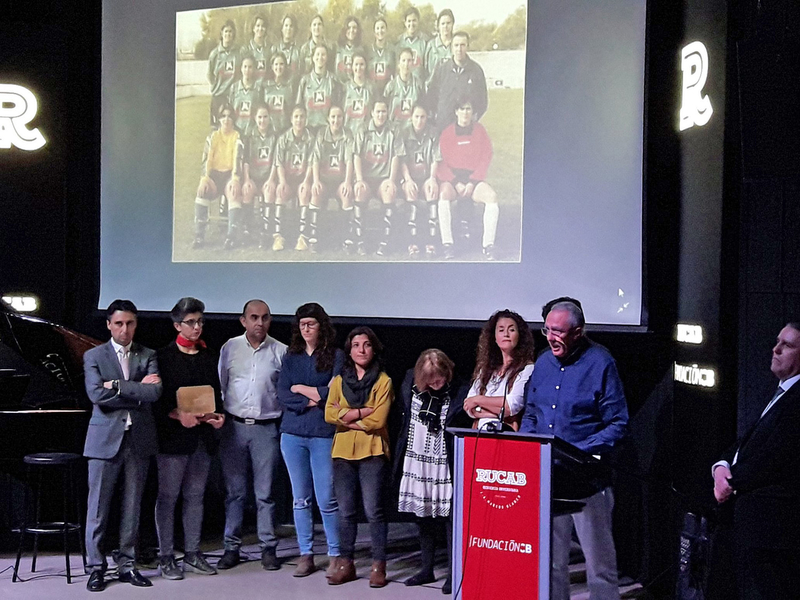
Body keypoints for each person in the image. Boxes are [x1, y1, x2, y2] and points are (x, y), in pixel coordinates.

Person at [521, 300, 629, 600]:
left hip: (587, 480)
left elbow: (618, 423)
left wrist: (578, 451)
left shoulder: (601, 362)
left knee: (599, 563)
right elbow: (531, 411)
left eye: (558, 331)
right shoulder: (543, 363)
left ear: (578, 332)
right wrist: (528, 443)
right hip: (548, 478)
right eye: (547, 330)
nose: (551, 337)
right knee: (551, 561)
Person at [712, 322, 800, 599]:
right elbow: (745, 445)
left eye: (787, 345)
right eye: (777, 342)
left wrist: (731, 481)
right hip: (749, 528)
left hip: (772, 533)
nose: (775, 349)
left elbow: (775, 458)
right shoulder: (779, 392)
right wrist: (721, 468)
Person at [83, 300, 162, 592]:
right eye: (118, 323)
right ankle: (96, 568)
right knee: (99, 509)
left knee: (133, 507)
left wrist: (115, 385)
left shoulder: (148, 354)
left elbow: (154, 392)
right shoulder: (94, 355)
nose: (124, 329)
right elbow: (95, 395)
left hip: (137, 440)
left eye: (129, 323)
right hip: (104, 442)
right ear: (108, 325)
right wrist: (135, 389)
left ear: (135, 324)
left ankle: (127, 566)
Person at [154, 297, 225, 580]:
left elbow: (215, 396)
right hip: (173, 439)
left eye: (200, 322)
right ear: (177, 325)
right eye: (191, 322)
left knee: (196, 496)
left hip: (202, 438)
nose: (197, 327)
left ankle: (193, 552)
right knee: (168, 497)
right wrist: (175, 414)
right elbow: (155, 403)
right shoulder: (163, 357)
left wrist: (218, 416)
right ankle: (166, 555)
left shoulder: (210, 356)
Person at [216, 300, 287, 571]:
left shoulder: (280, 351)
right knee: (234, 493)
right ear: (243, 320)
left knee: (265, 493)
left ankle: (268, 547)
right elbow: (221, 384)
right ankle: (231, 547)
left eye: (265, 318)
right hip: (233, 427)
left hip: (266, 428)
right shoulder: (230, 347)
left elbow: (283, 391)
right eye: (254, 317)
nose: (260, 323)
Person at [394, 349, 469, 595]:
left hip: (444, 462)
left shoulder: (460, 389)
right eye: (431, 380)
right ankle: (426, 568)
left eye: (440, 378)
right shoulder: (408, 382)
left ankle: (452, 573)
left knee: (449, 520)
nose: (437, 383)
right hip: (417, 460)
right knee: (422, 516)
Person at [277, 303, 345, 578]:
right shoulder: (290, 357)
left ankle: (335, 554)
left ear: (322, 327)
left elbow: (334, 394)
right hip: (292, 434)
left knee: (327, 498)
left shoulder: (336, 356)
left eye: (311, 324)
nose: (306, 329)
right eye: (302, 325)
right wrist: (313, 397)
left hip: (323, 434)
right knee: (300, 498)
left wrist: (302, 389)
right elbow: (283, 394)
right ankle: (306, 554)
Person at [325, 327, 393, 587]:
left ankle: (378, 565)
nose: (361, 350)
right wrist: (360, 412)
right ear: (349, 350)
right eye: (356, 345)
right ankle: (346, 563)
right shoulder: (340, 380)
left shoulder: (383, 381)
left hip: (372, 451)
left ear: (373, 349)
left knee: (373, 510)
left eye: (366, 345)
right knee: (345, 511)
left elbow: (379, 420)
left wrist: (346, 415)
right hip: (342, 451)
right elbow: (328, 414)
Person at [436, 99, 498, 260]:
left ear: (472, 112)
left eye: (468, 109)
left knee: (492, 197)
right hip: (453, 181)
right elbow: (441, 162)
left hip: (473, 180)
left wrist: (472, 181)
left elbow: (486, 156)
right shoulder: (447, 133)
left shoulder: (480, 131)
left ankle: (488, 245)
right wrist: (456, 183)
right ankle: (447, 244)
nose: (465, 112)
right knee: (443, 195)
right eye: (462, 109)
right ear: (456, 111)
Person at [464, 309, 534, 430]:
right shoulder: (486, 369)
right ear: (494, 337)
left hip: (506, 435)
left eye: (511, 330)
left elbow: (512, 406)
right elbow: (468, 405)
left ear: (520, 336)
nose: (506, 334)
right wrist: (499, 413)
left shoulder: (527, 369)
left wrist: (479, 400)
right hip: (479, 436)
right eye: (501, 330)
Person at [352, 98, 403, 256]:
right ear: (372, 113)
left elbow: (396, 156)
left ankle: (385, 241)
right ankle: (360, 240)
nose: (380, 115)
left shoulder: (394, 130)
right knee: (359, 191)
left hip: (383, 178)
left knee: (389, 191)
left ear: (387, 113)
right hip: (367, 178)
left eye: (383, 112)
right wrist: (359, 179)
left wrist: (391, 180)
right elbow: (356, 156)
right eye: (378, 111)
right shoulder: (362, 129)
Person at [192, 103, 243, 250]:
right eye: (223, 116)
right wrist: (204, 179)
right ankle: (199, 235)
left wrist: (235, 179)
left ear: (233, 119)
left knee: (234, 192)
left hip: (229, 176)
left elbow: (237, 159)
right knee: (203, 190)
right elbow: (207, 160)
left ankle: (231, 237)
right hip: (214, 176)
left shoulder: (237, 136)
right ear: (219, 119)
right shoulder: (213, 136)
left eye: (229, 116)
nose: (226, 119)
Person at [308, 105, 354, 252]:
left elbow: (349, 160)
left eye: (339, 116)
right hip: (325, 181)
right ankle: (314, 238)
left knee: (346, 193)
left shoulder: (348, 134)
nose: (336, 120)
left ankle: (347, 237)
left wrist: (347, 182)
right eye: (333, 117)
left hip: (340, 180)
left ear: (343, 118)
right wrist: (315, 181)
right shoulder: (321, 134)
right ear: (328, 118)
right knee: (316, 191)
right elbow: (315, 159)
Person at [399, 104, 440, 258]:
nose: (419, 120)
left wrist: (432, 178)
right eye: (416, 117)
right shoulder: (404, 133)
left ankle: (431, 240)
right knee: (411, 192)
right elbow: (402, 160)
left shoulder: (433, 133)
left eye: (422, 117)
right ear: (411, 118)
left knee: (431, 191)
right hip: (409, 177)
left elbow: (436, 158)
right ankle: (413, 241)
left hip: (426, 177)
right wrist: (407, 179)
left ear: (427, 118)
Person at [272, 104, 313, 252]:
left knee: (304, 192)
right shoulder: (283, 139)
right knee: (280, 191)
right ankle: (278, 237)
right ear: (291, 119)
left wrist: (306, 181)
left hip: (303, 178)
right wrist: (282, 181)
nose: (299, 120)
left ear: (306, 119)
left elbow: (311, 163)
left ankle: (302, 237)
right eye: (296, 117)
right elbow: (279, 163)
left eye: (302, 117)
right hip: (288, 179)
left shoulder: (311, 139)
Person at [427, 31, 487, 129]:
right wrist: (437, 116)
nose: (459, 49)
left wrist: (472, 118)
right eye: (456, 45)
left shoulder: (476, 70)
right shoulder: (442, 69)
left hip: (466, 128)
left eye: (462, 45)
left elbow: (482, 101)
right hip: (443, 126)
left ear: (468, 46)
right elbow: (432, 95)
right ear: (451, 47)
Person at [241, 103, 279, 249]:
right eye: (259, 117)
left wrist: (271, 180)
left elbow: (276, 161)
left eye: (265, 117)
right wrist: (247, 180)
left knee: (269, 191)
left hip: (268, 177)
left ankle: (265, 232)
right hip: (253, 177)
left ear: (269, 118)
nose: (262, 120)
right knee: (247, 190)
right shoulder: (250, 136)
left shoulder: (275, 137)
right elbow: (246, 161)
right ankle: (247, 230)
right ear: (254, 118)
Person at [296, 44, 342, 135]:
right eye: (317, 54)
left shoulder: (333, 80)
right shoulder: (305, 81)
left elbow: (338, 105)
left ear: (327, 58)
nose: (320, 57)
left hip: (328, 129)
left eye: (323, 54)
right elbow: (299, 106)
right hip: (308, 129)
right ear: (312, 58)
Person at [207, 20, 239, 126]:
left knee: (234, 129)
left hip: (234, 97)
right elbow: (210, 75)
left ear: (233, 33)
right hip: (218, 97)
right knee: (217, 130)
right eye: (226, 31)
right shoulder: (214, 54)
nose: (228, 34)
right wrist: (218, 87)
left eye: (230, 31)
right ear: (221, 33)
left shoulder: (239, 52)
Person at [383, 47, 425, 128]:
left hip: (412, 129)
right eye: (403, 60)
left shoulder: (419, 85)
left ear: (413, 63)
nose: (406, 64)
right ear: (398, 64)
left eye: (409, 61)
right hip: (394, 129)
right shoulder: (390, 86)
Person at [228, 55, 262, 135]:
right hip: (236, 130)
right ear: (241, 68)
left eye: (250, 67)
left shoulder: (258, 88)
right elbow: (230, 109)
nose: (247, 70)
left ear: (254, 69)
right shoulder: (234, 88)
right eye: (245, 66)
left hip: (252, 132)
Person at [263, 51, 295, 135]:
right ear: (272, 67)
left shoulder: (290, 87)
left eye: (281, 64)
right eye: (276, 64)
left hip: (285, 129)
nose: (279, 67)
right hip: (268, 130)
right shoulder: (265, 86)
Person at [342, 52, 373, 136]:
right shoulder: (344, 88)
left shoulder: (372, 88)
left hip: (367, 135)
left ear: (366, 66)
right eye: (356, 64)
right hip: (348, 135)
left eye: (361, 64)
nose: (359, 68)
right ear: (352, 66)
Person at [424, 10, 454, 90]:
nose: (445, 26)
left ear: (452, 24)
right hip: (434, 88)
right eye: (443, 24)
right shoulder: (431, 45)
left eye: (448, 23)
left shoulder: (456, 44)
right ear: (438, 26)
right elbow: (425, 69)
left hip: (452, 88)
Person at [396, 7, 428, 81]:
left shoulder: (425, 41)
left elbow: (427, 68)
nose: (411, 24)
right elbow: (396, 66)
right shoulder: (399, 42)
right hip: (403, 84)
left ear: (418, 21)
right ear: (405, 23)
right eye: (409, 21)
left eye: (414, 20)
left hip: (419, 85)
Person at [366, 17, 395, 95]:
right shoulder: (368, 50)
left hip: (388, 91)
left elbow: (396, 72)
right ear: (374, 32)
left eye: (382, 28)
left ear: (386, 30)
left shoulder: (393, 50)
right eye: (377, 28)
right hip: (371, 91)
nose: (380, 31)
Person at [271, 15, 302, 86]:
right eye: (286, 25)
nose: (288, 28)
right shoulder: (274, 49)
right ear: (282, 28)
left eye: (291, 26)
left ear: (295, 29)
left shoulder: (299, 50)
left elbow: (301, 72)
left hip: (295, 87)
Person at [242, 14, 271, 84]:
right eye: (258, 26)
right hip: (251, 88)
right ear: (253, 28)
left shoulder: (270, 49)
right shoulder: (245, 49)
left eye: (263, 26)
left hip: (266, 88)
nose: (260, 28)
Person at [335, 16, 364, 83]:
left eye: (354, 28)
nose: (351, 30)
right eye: (349, 27)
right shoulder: (336, 48)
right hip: (338, 88)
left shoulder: (362, 50)